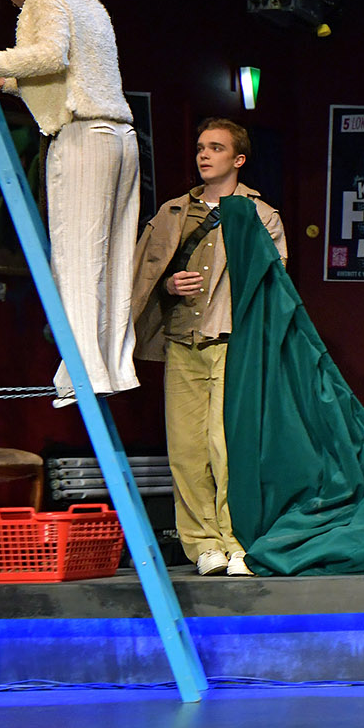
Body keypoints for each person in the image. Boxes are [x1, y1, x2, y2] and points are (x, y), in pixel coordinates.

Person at [0, 0, 142, 404]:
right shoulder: (87, 2)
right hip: (120, 137)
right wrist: (14, 82)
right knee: (114, 258)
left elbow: (51, 54)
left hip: (82, 138)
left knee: (76, 259)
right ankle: (110, 368)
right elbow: (75, 70)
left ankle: (83, 374)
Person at [127, 119, 288, 576]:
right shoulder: (174, 211)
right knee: (186, 449)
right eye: (201, 147)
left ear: (238, 159)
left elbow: (274, 283)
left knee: (226, 446)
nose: (204, 154)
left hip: (230, 342)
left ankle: (237, 541)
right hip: (183, 341)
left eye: (216, 148)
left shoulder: (261, 214)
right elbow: (143, 275)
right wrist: (169, 285)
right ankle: (203, 544)